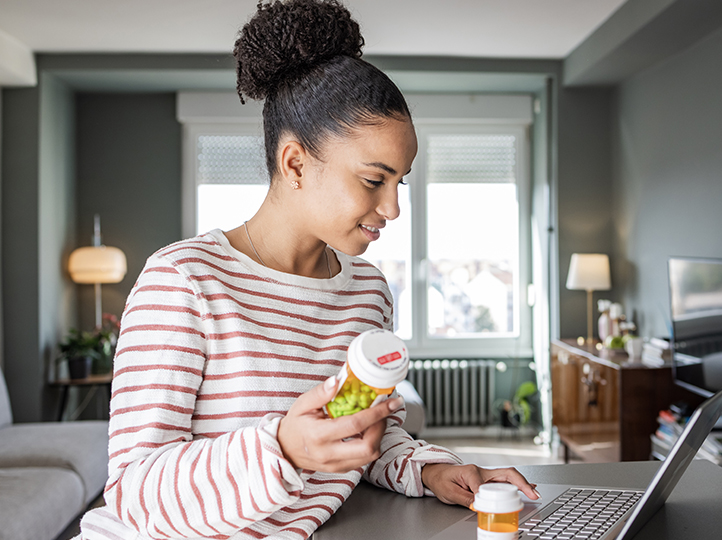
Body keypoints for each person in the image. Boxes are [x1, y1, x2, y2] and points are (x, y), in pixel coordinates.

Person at [76, 1, 538, 538]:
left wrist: (431, 469)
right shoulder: (183, 282)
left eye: (400, 183)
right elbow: (136, 490)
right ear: (294, 163)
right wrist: (283, 450)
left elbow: (364, 432)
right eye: (373, 180)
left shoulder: (368, 292)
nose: (392, 209)